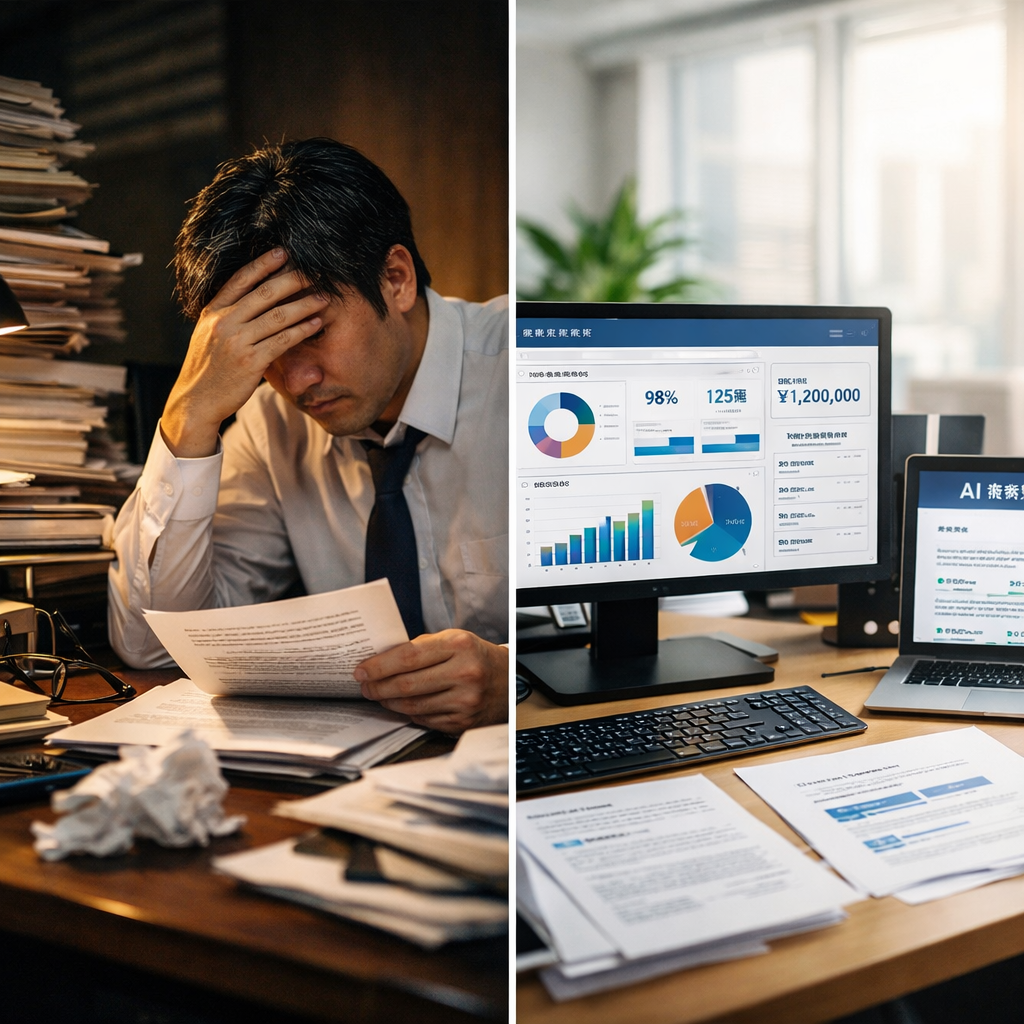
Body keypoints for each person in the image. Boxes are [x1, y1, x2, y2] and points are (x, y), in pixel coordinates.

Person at [108, 139, 508, 734]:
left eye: (312, 332)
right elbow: (153, 645)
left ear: (396, 279)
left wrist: (514, 677)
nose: (296, 381)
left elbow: (657, 618)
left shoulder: (534, 367)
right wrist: (189, 417)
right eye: (265, 348)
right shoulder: (273, 424)